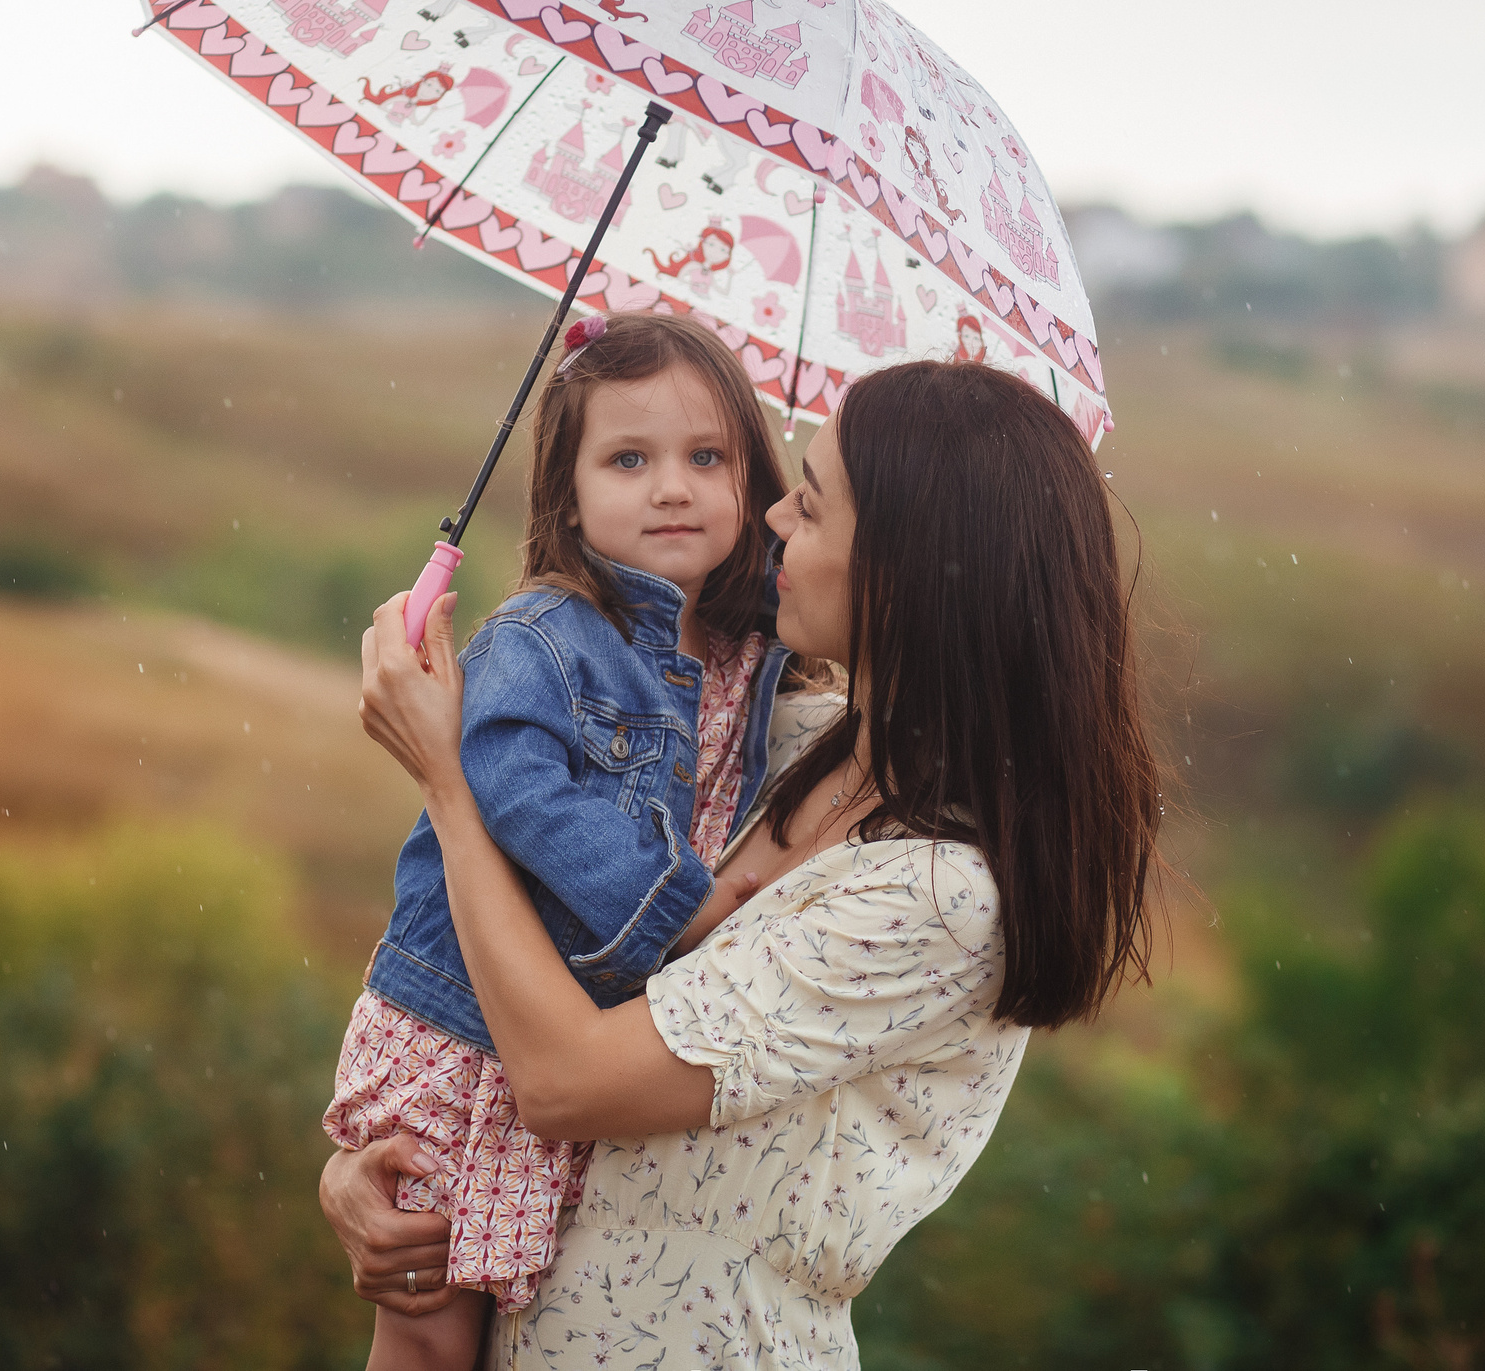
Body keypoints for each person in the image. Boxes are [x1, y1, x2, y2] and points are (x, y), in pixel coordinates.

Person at [339, 358, 1162, 1366]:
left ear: (901, 570)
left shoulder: (937, 893)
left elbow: (563, 1080)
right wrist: (384, 1178)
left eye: (809, 509)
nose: (771, 522)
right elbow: (520, 983)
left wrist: (447, 782)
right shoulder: (779, 737)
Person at [323, 310, 800, 1370]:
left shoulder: (744, 648)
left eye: (706, 457)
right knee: (430, 1324)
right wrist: (680, 902)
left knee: (507, 1310)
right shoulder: (541, 637)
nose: (671, 487)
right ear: (569, 498)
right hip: (465, 1034)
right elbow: (511, 788)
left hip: (558, 1032)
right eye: (628, 459)